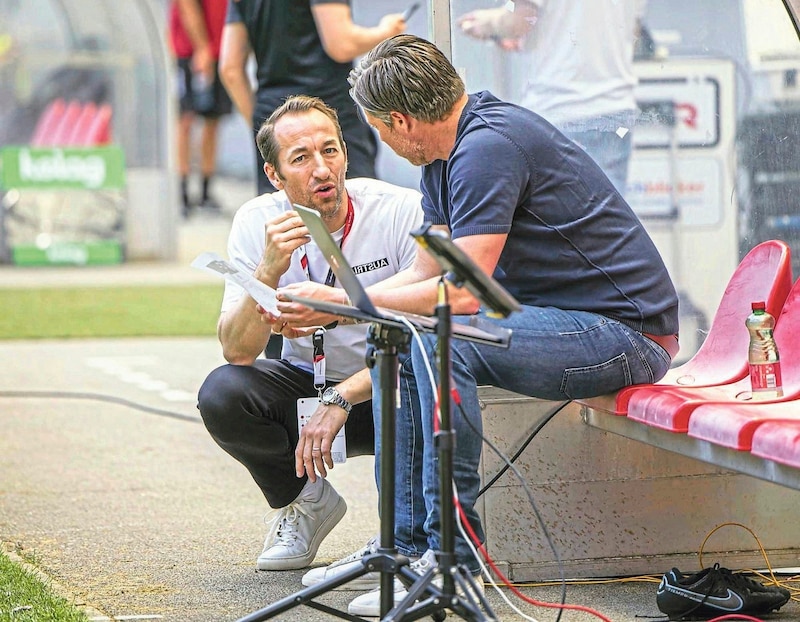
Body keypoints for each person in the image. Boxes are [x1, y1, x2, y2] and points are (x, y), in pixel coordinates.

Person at [275, 34, 679, 615]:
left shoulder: (487, 147)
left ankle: (454, 562)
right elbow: (424, 274)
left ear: (402, 120)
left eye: (380, 132)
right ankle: (410, 547)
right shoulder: (444, 156)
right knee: (402, 332)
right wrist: (347, 300)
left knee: (446, 340)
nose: (384, 143)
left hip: (625, 335)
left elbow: (462, 294)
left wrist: (343, 302)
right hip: (566, 323)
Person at [196, 95, 423, 572]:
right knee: (223, 392)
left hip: (388, 386)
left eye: (330, 150)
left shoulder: (398, 210)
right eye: (300, 158)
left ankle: (405, 546)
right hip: (308, 391)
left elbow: (426, 337)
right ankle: (308, 502)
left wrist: (345, 394)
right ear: (275, 176)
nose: (321, 169)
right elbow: (237, 350)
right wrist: (268, 269)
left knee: (417, 386)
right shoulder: (256, 220)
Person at [219, 0, 408, 196]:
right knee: (356, 212)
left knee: (286, 219)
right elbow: (341, 44)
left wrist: (268, 129)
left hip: (274, 116)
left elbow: (230, 69)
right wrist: (386, 31)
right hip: (329, 114)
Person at [457, 0, 646, 195]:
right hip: (615, 107)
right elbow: (630, 31)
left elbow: (521, 18)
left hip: (560, 108)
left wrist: (488, 22)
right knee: (609, 215)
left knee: (560, 216)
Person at [168, 0, 232, 216]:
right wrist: (201, 46)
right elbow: (187, 5)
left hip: (221, 49)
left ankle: (205, 191)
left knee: (213, 121)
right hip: (191, 51)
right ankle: (183, 192)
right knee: (186, 119)